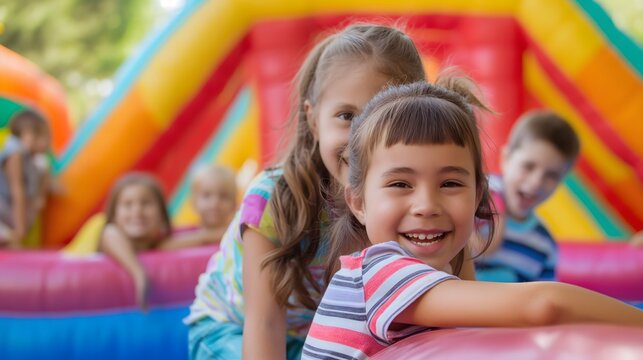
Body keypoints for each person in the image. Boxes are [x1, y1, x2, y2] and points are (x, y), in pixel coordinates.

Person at [302, 80, 643, 360]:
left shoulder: (441, 274)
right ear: (358, 202)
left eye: (450, 183)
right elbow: (546, 306)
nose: (426, 205)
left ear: (479, 193)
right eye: (400, 184)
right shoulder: (379, 273)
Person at [184, 23, 452, 360]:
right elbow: (264, 323)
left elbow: (452, 294)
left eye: (381, 116)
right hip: (232, 329)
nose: (361, 138)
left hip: (323, 331)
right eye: (346, 116)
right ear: (314, 120)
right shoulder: (274, 201)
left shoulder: (424, 201)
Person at [474, 110, 580, 282]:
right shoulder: (475, 199)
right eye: (528, 166)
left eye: (551, 175)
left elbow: (540, 301)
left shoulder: (545, 247)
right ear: (506, 159)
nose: (536, 182)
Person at [99, 172, 173, 309]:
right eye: (128, 205)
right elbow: (109, 234)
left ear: (162, 214)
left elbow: (201, 239)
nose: (137, 211)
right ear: (114, 215)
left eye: (146, 203)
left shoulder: (160, 243)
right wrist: (139, 274)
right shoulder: (109, 234)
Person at [0, 109, 50, 249]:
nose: (48, 143)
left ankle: (8, 236)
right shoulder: (15, 153)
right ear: (28, 136)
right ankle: (8, 235)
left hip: (9, 210)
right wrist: (20, 231)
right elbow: (17, 191)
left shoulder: (37, 162)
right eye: (45, 137)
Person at [169, 165, 237, 248]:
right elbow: (163, 247)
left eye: (223, 196)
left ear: (234, 204)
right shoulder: (187, 235)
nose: (215, 203)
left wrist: (204, 238)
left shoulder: (237, 232)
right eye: (207, 195)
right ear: (194, 202)